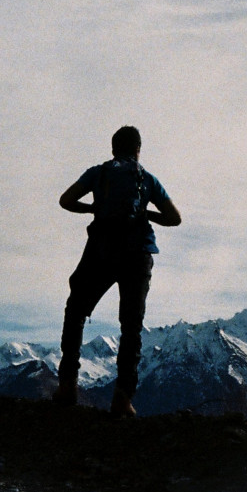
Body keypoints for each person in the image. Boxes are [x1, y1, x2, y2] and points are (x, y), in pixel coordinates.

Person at [52, 125, 181, 417]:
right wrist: (146, 214)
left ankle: (67, 386)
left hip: (102, 248)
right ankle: (123, 399)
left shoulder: (98, 174)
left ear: (113, 149)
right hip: (138, 254)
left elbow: (65, 200)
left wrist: (93, 209)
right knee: (131, 326)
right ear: (138, 149)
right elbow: (174, 218)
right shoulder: (148, 179)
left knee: (76, 310)